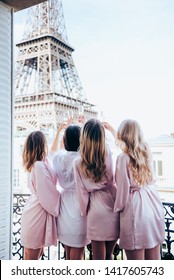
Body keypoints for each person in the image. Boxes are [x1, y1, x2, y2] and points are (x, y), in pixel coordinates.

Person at [104, 119, 165, 260]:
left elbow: (123, 192)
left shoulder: (122, 158)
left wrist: (116, 208)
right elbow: (130, 146)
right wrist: (113, 130)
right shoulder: (146, 152)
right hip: (152, 206)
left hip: (135, 211)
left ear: (123, 136)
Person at [73, 119, 119, 260]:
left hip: (95, 209)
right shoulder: (107, 152)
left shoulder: (77, 162)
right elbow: (112, 179)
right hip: (112, 203)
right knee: (109, 255)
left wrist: (84, 211)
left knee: (98, 259)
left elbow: (81, 193)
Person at [51, 122, 90, 260]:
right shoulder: (84, 159)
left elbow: (54, 152)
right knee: (78, 250)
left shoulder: (58, 158)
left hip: (64, 203)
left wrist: (60, 132)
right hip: (80, 203)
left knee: (68, 248)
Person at [20, 131, 60, 260]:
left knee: (32, 255)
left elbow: (52, 153)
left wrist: (59, 131)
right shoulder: (39, 166)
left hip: (33, 212)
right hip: (36, 214)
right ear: (41, 145)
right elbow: (47, 194)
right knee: (32, 258)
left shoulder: (38, 163)